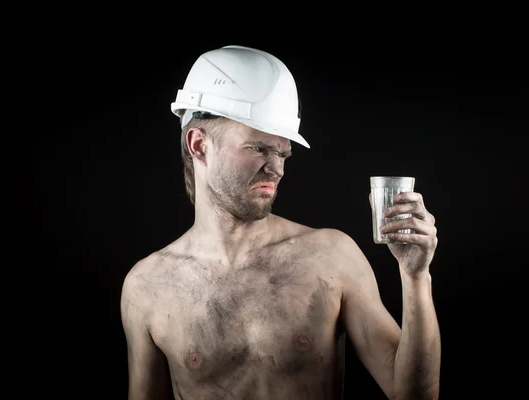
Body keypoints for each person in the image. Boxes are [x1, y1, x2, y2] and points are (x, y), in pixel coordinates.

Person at [120, 45, 441, 400]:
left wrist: (416, 277)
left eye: (283, 153)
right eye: (258, 149)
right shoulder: (148, 286)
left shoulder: (330, 257)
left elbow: (414, 394)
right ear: (199, 145)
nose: (277, 169)